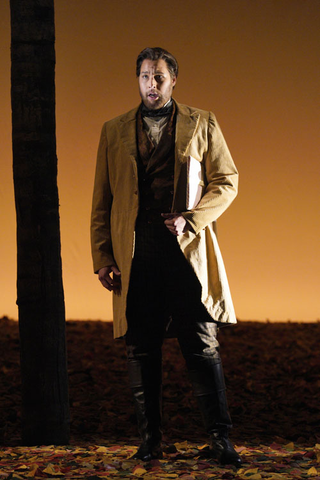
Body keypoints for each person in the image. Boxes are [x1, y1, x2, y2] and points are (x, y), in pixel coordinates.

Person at [91, 47, 241, 467]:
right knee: (141, 347)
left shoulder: (202, 122)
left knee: (202, 344)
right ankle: (150, 441)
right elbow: (101, 201)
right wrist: (103, 256)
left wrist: (192, 220)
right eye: (144, 76)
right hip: (136, 252)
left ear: (174, 80)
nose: (151, 84)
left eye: (158, 76)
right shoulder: (113, 130)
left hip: (186, 252)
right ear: (136, 80)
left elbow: (226, 181)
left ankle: (220, 439)